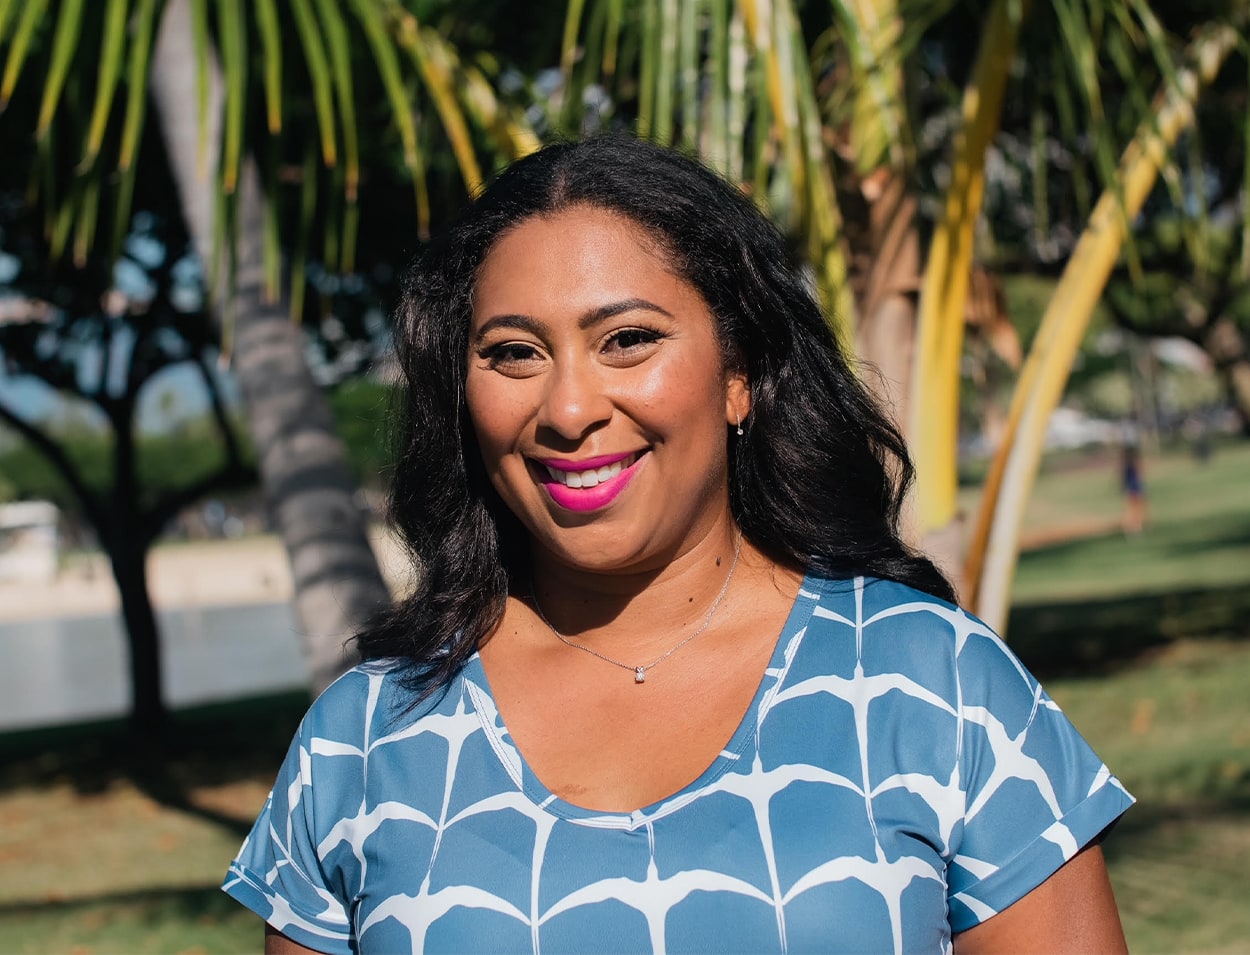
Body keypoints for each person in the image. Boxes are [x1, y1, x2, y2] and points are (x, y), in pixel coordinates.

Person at [223, 137, 1133, 954]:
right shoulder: (366, 737)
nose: (570, 409)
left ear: (741, 373)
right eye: (513, 353)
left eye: (628, 340)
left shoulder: (933, 686)